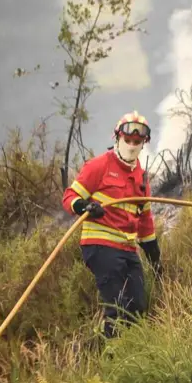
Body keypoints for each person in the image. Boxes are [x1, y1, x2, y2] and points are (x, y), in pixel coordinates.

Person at [61, 111, 161, 338]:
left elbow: (145, 223)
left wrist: (155, 258)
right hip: (100, 246)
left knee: (137, 307)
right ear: (117, 137)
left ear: (143, 143)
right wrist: (85, 207)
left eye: (137, 141)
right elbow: (69, 197)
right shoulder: (99, 166)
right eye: (128, 139)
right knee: (118, 308)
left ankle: (127, 350)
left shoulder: (142, 179)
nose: (132, 145)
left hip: (128, 250)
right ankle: (110, 353)